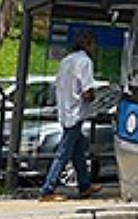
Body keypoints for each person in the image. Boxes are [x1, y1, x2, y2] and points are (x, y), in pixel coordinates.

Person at [39, 30, 103, 201]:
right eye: (93, 44)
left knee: (78, 149)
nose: (95, 48)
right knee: (64, 151)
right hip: (76, 112)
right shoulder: (85, 62)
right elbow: (87, 91)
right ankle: (48, 189)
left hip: (65, 111)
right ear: (87, 44)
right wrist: (94, 98)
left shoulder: (65, 61)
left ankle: (84, 185)